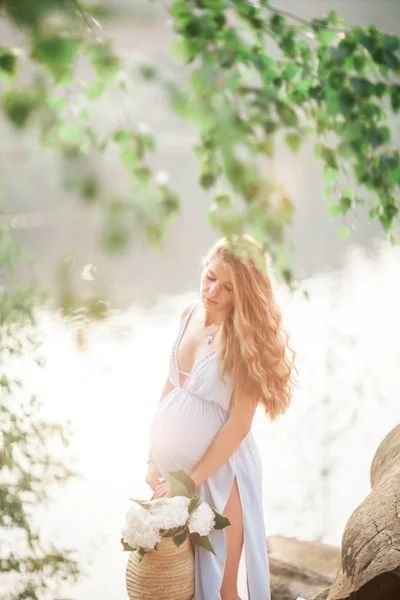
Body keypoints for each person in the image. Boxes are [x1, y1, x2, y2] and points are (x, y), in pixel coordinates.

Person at [146, 234, 298, 600]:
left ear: (243, 295)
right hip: (176, 476)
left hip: (222, 476)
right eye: (211, 276)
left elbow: (238, 427)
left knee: (222, 586)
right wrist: (152, 457)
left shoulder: (244, 341)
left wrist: (190, 482)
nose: (213, 291)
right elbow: (171, 385)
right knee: (181, 583)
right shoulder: (189, 314)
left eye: (228, 288)